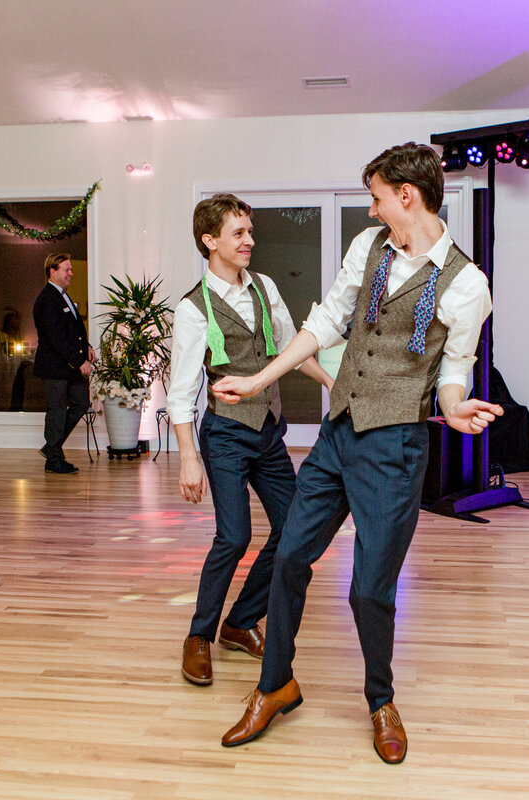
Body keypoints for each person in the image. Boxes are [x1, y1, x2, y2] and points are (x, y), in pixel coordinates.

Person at [213, 143, 502, 764]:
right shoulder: (366, 250)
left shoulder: (467, 284)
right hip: (338, 435)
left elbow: (454, 370)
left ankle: (380, 700)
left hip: (395, 448)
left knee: (369, 589)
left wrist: (453, 408)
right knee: (289, 557)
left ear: (407, 195)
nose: (371, 211)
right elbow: (325, 324)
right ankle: (275, 685)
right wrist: (262, 381)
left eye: (376, 198)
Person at [174, 193, 334, 686]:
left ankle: (240, 622)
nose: (250, 240)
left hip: (268, 434)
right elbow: (182, 392)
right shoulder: (193, 308)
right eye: (239, 233)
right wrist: (188, 459)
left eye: (250, 231)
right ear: (210, 240)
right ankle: (199, 635)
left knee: (294, 532)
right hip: (224, 434)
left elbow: (292, 349)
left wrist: (335, 385)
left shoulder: (264, 286)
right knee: (235, 536)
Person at [33, 253, 94, 474]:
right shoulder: (47, 300)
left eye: (70, 269)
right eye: (66, 270)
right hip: (54, 367)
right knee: (57, 410)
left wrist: (86, 347)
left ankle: (51, 447)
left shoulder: (62, 296)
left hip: (67, 365)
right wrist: (80, 362)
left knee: (82, 402)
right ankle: (54, 458)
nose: (71, 273)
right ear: (53, 272)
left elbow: (73, 329)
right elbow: (56, 337)